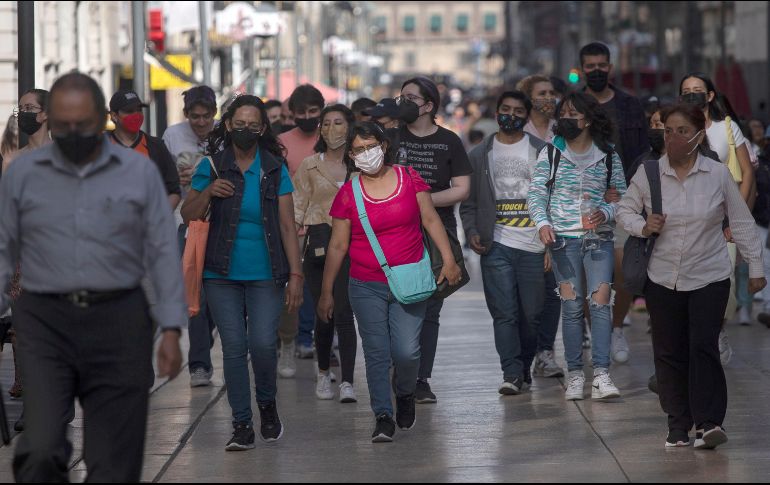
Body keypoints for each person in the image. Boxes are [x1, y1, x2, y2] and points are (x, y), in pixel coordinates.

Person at [0, 72, 183, 482]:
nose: (71, 131)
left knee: (114, 456)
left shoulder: (137, 174)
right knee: (41, 448)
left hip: (117, 318)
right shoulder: (22, 174)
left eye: (81, 123)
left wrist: (171, 327)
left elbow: (160, 249)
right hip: (45, 319)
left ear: (101, 119)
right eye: (62, 122)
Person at [617, 103, 766, 449]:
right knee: (669, 352)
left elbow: (741, 221)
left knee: (704, 346)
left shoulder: (716, 174)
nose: (673, 138)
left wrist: (755, 268)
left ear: (699, 136)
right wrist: (643, 224)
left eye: (682, 131)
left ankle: (709, 423)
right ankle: (678, 424)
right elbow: (624, 209)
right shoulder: (649, 173)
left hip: (709, 276)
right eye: (668, 130)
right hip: (662, 278)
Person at [318, 122, 461, 443]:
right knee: (377, 352)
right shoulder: (348, 193)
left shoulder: (409, 178)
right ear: (351, 156)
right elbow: (338, 246)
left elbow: (429, 219)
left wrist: (449, 260)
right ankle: (383, 415)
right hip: (365, 284)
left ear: (383, 145)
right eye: (358, 150)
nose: (366, 154)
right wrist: (327, 291)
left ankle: (406, 392)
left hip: (410, 281)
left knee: (408, 352)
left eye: (371, 146)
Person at [181, 95, 303, 450]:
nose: (245, 130)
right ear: (228, 125)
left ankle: (266, 404)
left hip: (266, 272)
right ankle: (241, 424)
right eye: (239, 124)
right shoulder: (212, 166)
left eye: (253, 124)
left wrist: (296, 275)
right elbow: (189, 213)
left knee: (263, 344)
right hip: (220, 273)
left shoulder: (273, 168)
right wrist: (208, 194)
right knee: (234, 348)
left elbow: (285, 224)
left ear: (263, 128)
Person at [528, 91, 627, 401]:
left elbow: (622, 197)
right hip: (563, 242)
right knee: (571, 308)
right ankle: (574, 376)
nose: (568, 119)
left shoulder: (608, 155)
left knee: (600, 305)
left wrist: (607, 211)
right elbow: (536, 195)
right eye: (564, 113)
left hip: (599, 240)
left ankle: (601, 375)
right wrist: (543, 225)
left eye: (574, 113)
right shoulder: (551, 153)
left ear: (589, 118)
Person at [460, 91, 557, 394]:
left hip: (533, 244)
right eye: (505, 109)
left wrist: (551, 245)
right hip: (496, 244)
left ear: (526, 116)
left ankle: (525, 367)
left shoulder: (543, 151)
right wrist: (473, 230)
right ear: (497, 112)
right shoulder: (480, 154)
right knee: (504, 312)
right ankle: (511, 373)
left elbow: (556, 200)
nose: (510, 115)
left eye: (517, 110)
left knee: (531, 314)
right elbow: (469, 201)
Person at [392, 76, 472, 404]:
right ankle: (399, 371)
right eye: (401, 97)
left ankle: (421, 378)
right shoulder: (391, 138)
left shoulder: (449, 141)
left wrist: (422, 199)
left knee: (430, 309)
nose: (404, 103)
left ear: (428, 105)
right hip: (397, 231)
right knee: (396, 303)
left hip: (438, 232)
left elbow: (463, 188)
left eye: (411, 98)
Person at [580, 42, 650, 365]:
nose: (596, 70)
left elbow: (639, 152)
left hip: (623, 199)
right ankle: (598, 332)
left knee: (623, 270)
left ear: (610, 67)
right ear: (581, 68)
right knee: (585, 275)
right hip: (582, 202)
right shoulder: (574, 104)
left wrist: (629, 191)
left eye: (601, 65)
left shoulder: (631, 105)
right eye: (590, 65)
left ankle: (617, 326)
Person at [679, 73, 756, 356]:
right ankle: (699, 335)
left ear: (710, 95)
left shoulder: (727, 128)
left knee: (727, 280)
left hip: (724, 217)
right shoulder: (676, 127)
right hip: (687, 217)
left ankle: (718, 328)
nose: (692, 94)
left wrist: (741, 214)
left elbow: (747, 171)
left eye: (698, 90)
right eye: (686, 91)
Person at [293, 104, 359, 403]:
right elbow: (296, 211)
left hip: (355, 246)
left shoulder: (361, 165)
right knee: (325, 311)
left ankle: (347, 380)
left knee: (345, 313)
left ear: (350, 126)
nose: (333, 129)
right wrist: (292, 262)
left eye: (339, 122)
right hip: (319, 246)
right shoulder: (309, 166)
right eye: (327, 123)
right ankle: (322, 372)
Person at [163, 85, 219, 388]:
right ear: (187, 115)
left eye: (206, 116)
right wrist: (176, 179)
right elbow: (162, 176)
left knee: (215, 293)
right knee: (194, 291)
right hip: (186, 221)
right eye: (195, 117)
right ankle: (199, 363)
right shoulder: (172, 136)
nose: (201, 122)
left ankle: (204, 337)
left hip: (219, 221)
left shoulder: (224, 133)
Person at [277, 84, 327, 375]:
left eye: (313, 111)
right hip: (293, 227)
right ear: (291, 114)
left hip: (326, 226)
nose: (308, 117)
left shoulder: (331, 138)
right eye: (301, 112)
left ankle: (319, 342)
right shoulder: (282, 142)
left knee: (323, 289)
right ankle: (289, 342)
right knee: (294, 288)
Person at [515, 76, 564, 372]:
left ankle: (546, 352)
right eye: (541, 93)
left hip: (558, 218)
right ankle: (525, 352)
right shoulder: (518, 132)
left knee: (553, 289)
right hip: (522, 221)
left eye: (551, 93)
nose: (548, 98)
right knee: (526, 297)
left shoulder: (563, 130)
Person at [109, 90, 181, 209]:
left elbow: (173, 191)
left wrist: (158, 219)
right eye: (129, 111)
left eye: (139, 110)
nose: (136, 115)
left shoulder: (156, 147)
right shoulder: (98, 146)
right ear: (114, 116)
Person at [3, 89, 51, 170]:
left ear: (45, 113)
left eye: (29, 107)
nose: (22, 112)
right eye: (20, 109)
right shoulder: (11, 160)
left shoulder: (63, 155)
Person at [517, 75, 558, 143]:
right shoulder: (519, 127)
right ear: (529, 99)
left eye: (552, 93)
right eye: (542, 93)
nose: (549, 97)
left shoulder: (559, 127)